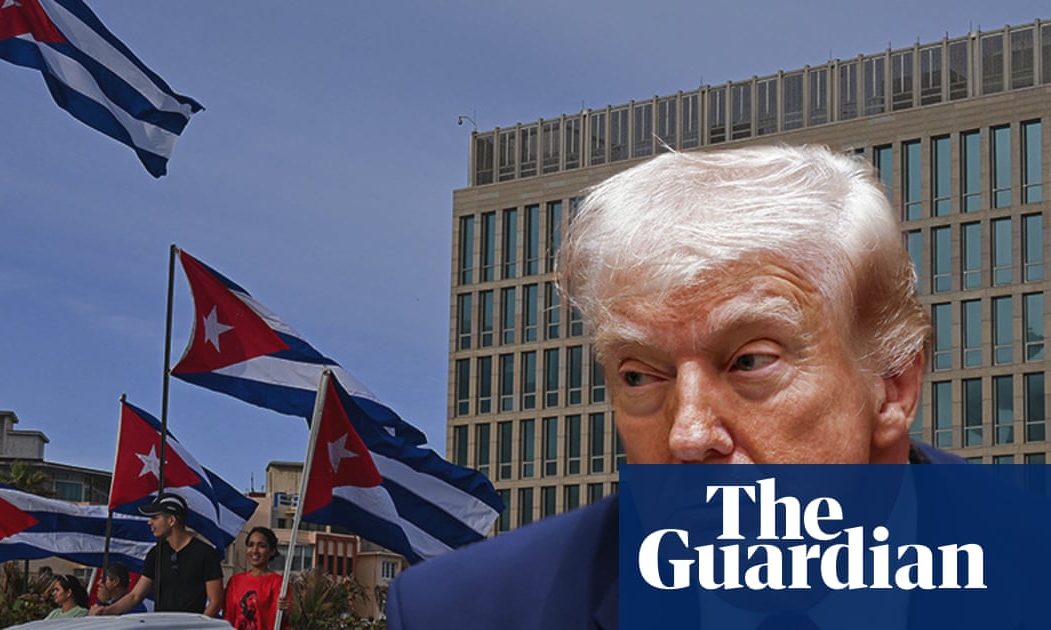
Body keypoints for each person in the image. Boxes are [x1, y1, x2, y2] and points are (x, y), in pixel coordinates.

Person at [384, 145, 962, 629]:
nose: (688, 435)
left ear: (891, 385)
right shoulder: (457, 613)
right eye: (639, 375)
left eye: (750, 361)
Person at [89, 493, 224, 617]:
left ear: (171, 520)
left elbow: (215, 602)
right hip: (161, 625)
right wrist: (106, 611)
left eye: (155, 517)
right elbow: (135, 596)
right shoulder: (156, 554)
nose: (149, 522)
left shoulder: (205, 553)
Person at [224, 526, 287, 629]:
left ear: (272, 551)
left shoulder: (279, 583)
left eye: (261, 546)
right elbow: (228, 618)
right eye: (250, 545)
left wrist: (283, 611)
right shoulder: (235, 581)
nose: (254, 550)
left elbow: (281, 622)